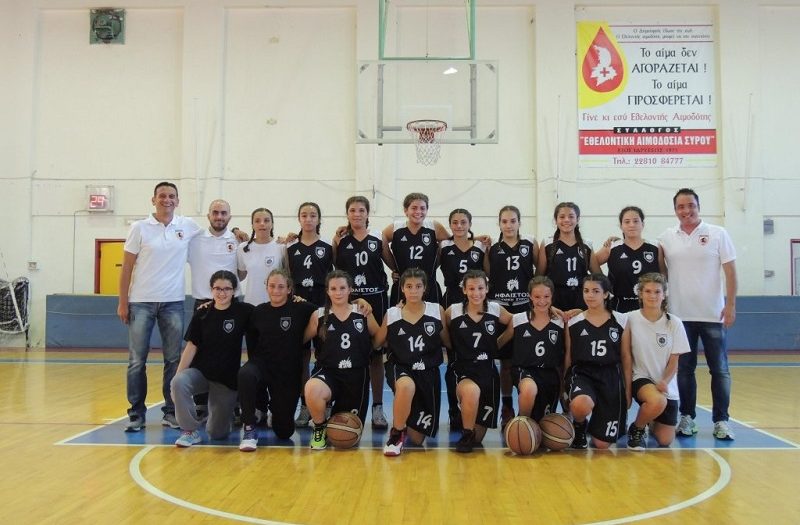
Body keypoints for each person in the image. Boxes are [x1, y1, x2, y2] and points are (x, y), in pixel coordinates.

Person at [118, 182, 201, 432]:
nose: (167, 200)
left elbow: (213, 236)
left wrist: (237, 233)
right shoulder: (139, 228)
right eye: (162, 196)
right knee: (136, 360)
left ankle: (171, 412)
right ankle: (136, 414)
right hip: (141, 302)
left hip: (173, 302)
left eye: (171, 196)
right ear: (153, 200)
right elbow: (127, 268)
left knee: (174, 360)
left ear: (178, 201)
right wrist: (123, 302)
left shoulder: (187, 226)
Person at [658, 188, 737, 440]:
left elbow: (731, 272)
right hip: (680, 316)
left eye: (690, 205)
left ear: (698, 206)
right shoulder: (666, 238)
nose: (686, 210)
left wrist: (730, 304)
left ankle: (721, 421)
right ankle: (687, 417)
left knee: (720, 370)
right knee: (684, 370)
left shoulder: (718, 233)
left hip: (713, 315)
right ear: (675, 210)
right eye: (681, 206)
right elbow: (662, 275)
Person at [373, 268, 451, 457]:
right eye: (409, 286)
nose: (413, 291)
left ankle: (405, 418)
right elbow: (377, 343)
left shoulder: (436, 311)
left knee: (417, 439)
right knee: (406, 386)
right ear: (402, 289)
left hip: (428, 372)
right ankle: (396, 434)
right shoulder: (393, 314)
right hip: (400, 367)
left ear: (425, 288)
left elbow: (448, 342)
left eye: (418, 286)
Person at [170, 271, 253, 447]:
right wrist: (177, 376)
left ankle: (222, 414)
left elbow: (268, 314)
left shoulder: (243, 311)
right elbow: (191, 346)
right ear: (211, 289)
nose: (222, 293)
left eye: (226, 289)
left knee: (217, 434)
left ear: (234, 291)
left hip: (226, 379)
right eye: (217, 288)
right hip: (201, 373)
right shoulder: (202, 313)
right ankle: (190, 431)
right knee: (178, 382)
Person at [237, 269, 317, 451]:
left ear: (289, 289)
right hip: (262, 364)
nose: (276, 290)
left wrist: (358, 303)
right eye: (272, 286)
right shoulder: (258, 311)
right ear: (266, 287)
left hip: (287, 371)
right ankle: (249, 428)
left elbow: (325, 311)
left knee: (284, 432)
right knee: (246, 373)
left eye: (281, 286)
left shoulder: (302, 308)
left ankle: (276, 407)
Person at [303, 270, 380, 450]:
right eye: (333, 289)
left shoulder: (362, 312)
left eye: (342, 288)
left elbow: (379, 338)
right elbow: (301, 340)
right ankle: (319, 427)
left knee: (347, 435)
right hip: (328, 372)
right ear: (327, 291)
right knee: (312, 387)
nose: (338, 292)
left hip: (357, 376)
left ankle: (330, 412)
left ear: (350, 289)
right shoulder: (318, 315)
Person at [332, 196, 390, 430]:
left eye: (361, 210)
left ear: (368, 213)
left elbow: (393, 265)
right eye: (353, 210)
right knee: (350, 352)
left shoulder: (378, 237)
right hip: (350, 300)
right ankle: (345, 403)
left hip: (376, 298)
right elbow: (334, 268)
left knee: (376, 353)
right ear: (347, 213)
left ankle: (377, 406)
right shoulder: (340, 239)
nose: (357, 214)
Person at [187, 199, 245, 420]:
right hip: (203, 303)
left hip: (232, 303)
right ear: (208, 215)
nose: (219, 216)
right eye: (215, 212)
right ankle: (201, 403)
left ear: (230, 216)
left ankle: (234, 403)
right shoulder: (194, 239)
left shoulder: (238, 241)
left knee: (231, 354)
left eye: (223, 213)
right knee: (199, 354)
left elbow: (242, 272)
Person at [444, 270, 512, 452]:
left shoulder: (495, 309)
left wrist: (497, 344)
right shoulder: (453, 311)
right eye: (471, 288)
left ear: (487, 288)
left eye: (480, 288)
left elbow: (517, 322)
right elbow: (441, 329)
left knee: (479, 438)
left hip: (487, 372)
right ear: (464, 290)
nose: (476, 293)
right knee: (471, 392)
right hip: (462, 369)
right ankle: (465, 432)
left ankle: (467, 424)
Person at [622, 272, 690, 450]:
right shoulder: (629, 318)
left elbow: (674, 360)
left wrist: (665, 381)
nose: (652, 296)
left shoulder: (674, 323)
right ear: (640, 294)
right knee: (658, 401)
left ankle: (650, 420)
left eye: (657, 292)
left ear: (664, 294)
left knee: (665, 440)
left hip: (665, 383)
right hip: (640, 377)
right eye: (648, 291)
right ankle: (637, 428)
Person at [485, 205, 538, 429]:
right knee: (505, 363)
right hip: (501, 310)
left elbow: (540, 273)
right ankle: (507, 406)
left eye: (513, 221)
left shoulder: (530, 245)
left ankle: (531, 405)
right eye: (504, 221)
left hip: (525, 308)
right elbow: (487, 275)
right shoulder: (491, 248)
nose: (509, 225)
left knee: (527, 360)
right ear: (499, 224)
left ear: (519, 223)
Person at [565, 273, 631, 449]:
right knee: (581, 404)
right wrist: (564, 389)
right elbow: (568, 357)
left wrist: (628, 390)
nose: (590, 295)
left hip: (610, 376)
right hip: (582, 373)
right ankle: (579, 426)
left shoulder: (621, 320)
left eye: (595, 291)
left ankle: (596, 424)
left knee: (601, 445)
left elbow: (626, 357)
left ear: (606, 294)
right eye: (586, 291)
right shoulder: (573, 321)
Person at [287, 202, 334, 427]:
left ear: (319, 219)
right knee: (301, 357)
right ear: (299, 219)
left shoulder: (328, 248)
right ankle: (305, 406)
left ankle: (327, 403)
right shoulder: (289, 248)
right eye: (304, 215)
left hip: (322, 304)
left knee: (325, 355)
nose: (308, 219)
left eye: (313, 215)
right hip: (299, 306)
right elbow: (287, 276)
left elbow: (336, 276)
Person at [439, 208, 486, 430]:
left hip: (475, 301)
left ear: (470, 224)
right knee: (453, 357)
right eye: (455, 222)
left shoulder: (480, 247)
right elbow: (428, 267)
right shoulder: (443, 246)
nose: (459, 226)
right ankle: (453, 410)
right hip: (452, 299)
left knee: (476, 352)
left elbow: (487, 273)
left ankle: (477, 406)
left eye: (463, 222)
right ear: (450, 225)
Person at [505, 276, 566, 423]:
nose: (542, 301)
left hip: (550, 374)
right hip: (524, 370)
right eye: (537, 296)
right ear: (530, 296)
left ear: (552, 296)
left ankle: (531, 425)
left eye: (546, 296)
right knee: (529, 389)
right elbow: (500, 342)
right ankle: (521, 424)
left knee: (544, 425)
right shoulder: (518, 319)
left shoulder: (560, 321)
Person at [382, 193, 450, 305]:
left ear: (427, 210)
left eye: (422, 208)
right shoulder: (395, 228)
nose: (418, 212)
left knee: (432, 315)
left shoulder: (434, 227)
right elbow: (379, 241)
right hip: (403, 286)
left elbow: (451, 243)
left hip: (429, 285)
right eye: (414, 208)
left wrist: (435, 264)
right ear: (406, 210)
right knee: (400, 315)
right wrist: (394, 268)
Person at [594, 206, 661, 313]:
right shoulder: (612, 247)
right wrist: (603, 282)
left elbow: (663, 275)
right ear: (621, 226)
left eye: (636, 221)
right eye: (627, 222)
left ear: (643, 224)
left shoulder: (655, 247)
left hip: (649, 306)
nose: (632, 225)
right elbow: (591, 263)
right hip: (619, 306)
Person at [537, 202, 600, 312]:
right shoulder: (547, 243)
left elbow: (598, 276)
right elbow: (539, 277)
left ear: (578, 219)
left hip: (581, 303)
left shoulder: (586, 244)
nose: (566, 220)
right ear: (556, 220)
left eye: (571, 216)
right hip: (554, 302)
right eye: (562, 217)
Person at [237, 208, 287, 306]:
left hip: (275, 304)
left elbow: (288, 277)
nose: (262, 224)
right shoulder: (243, 248)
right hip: (251, 303)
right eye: (257, 221)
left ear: (272, 224)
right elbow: (239, 276)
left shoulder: (281, 246)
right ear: (252, 225)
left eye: (266, 220)